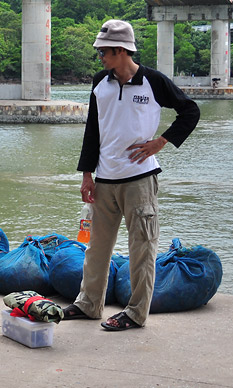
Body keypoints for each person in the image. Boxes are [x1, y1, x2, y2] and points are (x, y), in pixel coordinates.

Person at [63, 19, 199, 331]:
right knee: (96, 247)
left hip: (140, 181)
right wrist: (87, 174)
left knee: (142, 247)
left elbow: (190, 111)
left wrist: (161, 141)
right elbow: (92, 131)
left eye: (104, 53)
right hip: (105, 181)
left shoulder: (153, 81)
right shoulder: (101, 82)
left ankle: (136, 313)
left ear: (122, 51)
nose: (100, 59)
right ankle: (88, 304)